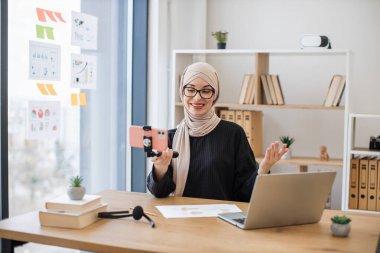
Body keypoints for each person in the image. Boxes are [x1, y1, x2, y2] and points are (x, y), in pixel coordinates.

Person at [147, 62, 287, 202]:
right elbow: (159, 193)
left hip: (221, 220)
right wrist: (160, 168)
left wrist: (263, 169)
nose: (197, 98)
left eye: (206, 91)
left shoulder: (233, 134)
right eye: (190, 89)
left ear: (215, 95)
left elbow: (246, 194)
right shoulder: (171, 137)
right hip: (180, 220)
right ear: (181, 93)